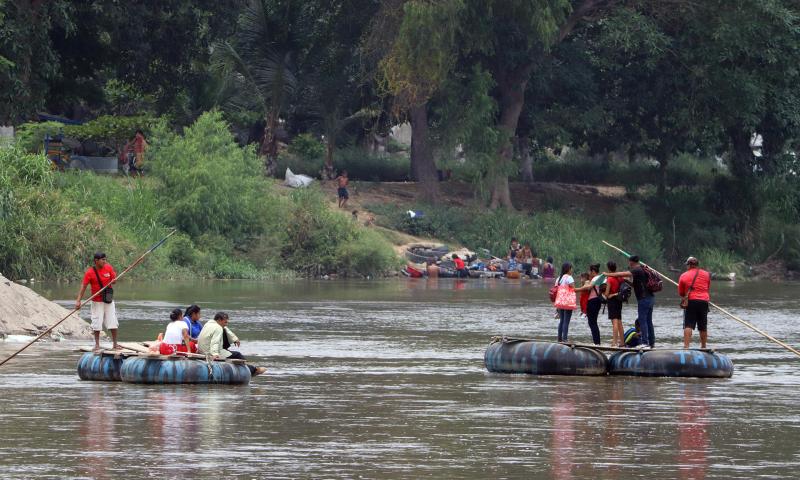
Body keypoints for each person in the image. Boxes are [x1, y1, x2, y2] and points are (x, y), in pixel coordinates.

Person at [605, 255, 656, 349]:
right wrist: (627, 282)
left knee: (643, 320)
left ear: (632, 262)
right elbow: (635, 285)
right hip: (650, 298)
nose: (629, 264)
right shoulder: (642, 270)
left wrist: (608, 274)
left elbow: (621, 274)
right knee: (649, 321)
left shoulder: (637, 269)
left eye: (629, 262)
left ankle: (645, 343)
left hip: (644, 299)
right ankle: (651, 343)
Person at [197, 312, 267, 376]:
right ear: (219, 320)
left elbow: (226, 329)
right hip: (209, 352)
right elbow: (215, 342)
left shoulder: (208, 324)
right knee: (237, 354)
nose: (226, 324)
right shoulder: (218, 328)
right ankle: (253, 370)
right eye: (225, 322)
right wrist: (215, 354)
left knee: (231, 352)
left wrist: (234, 339)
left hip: (202, 350)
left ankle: (252, 368)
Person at [76, 252, 119, 351]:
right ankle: (97, 344)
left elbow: (115, 280)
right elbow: (83, 286)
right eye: (102, 260)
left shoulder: (108, 268)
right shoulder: (90, 272)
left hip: (108, 299)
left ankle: (115, 344)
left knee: (112, 321)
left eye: (105, 259)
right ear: (96, 261)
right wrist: (78, 301)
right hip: (97, 301)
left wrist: (113, 280)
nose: (105, 261)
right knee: (97, 322)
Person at [678, 256, 711, 349]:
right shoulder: (707, 274)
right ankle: (703, 346)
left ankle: (686, 347)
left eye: (687, 265)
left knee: (688, 324)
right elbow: (707, 288)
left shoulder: (684, 275)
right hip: (704, 301)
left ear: (689, 265)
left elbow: (681, 293)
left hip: (691, 301)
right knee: (703, 325)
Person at [574, 265, 604, 345]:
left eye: (590, 272)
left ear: (593, 271)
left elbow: (588, 288)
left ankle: (597, 343)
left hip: (592, 302)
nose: (589, 273)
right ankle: (597, 342)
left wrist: (575, 290)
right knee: (594, 323)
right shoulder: (602, 278)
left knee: (592, 323)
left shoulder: (595, 278)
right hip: (597, 301)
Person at [604, 261, 625, 347]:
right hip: (619, 300)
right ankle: (622, 342)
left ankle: (614, 342)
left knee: (615, 322)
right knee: (619, 321)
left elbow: (607, 293)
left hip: (612, 301)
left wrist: (604, 294)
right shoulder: (619, 277)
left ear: (608, 268)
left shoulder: (610, 279)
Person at [554, 262, 576, 343]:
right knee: (566, 321)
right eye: (571, 268)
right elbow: (574, 289)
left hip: (560, 302)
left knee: (562, 321)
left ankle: (559, 338)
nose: (572, 270)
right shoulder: (569, 278)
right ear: (568, 269)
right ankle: (565, 339)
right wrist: (584, 288)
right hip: (568, 302)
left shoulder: (558, 278)